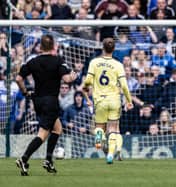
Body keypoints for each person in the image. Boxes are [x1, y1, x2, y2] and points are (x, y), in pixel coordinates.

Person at [15, 34, 77, 176]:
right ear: (54, 46)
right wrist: (73, 76)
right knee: (42, 134)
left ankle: (48, 160)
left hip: (38, 101)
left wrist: (25, 92)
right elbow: (67, 79)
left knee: (57, 128)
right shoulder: (58, 61)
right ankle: (24, 159)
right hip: (50, 101)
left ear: (40, 47)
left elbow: (18, 79)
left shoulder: (33, 61)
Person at [82, 38, 133, 164]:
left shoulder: (94, 62)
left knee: (99, 127)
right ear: (114, 49)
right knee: (114, 129)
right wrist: (129, 100)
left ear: (102, 48)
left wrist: (86, 89)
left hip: (100, 100)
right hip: (115, 100)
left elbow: (88, 81)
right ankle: (110, 154)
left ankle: (100, 139)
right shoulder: (118, 65)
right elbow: (124, 86)